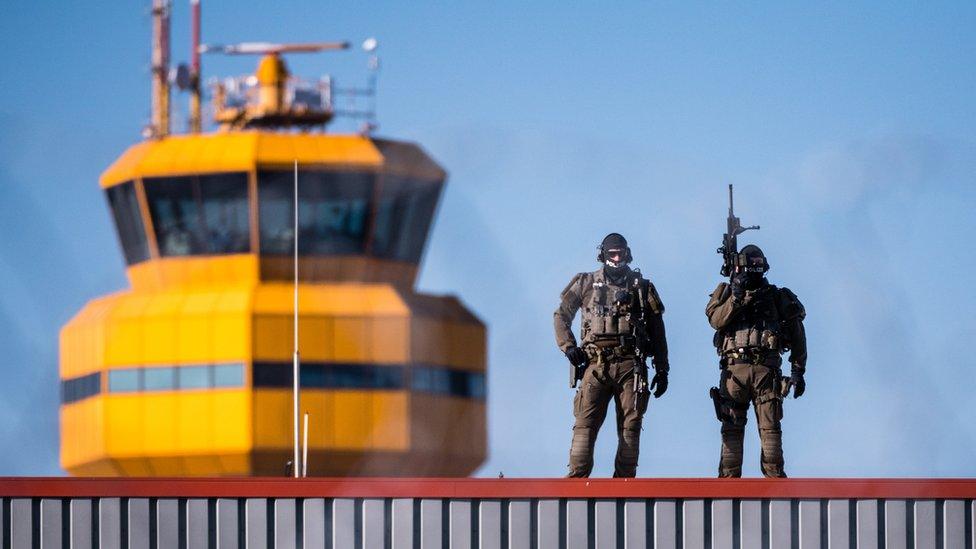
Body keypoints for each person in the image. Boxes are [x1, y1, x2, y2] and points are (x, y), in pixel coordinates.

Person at [554, 233, 669, 478]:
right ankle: (577, 481)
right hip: (595, 365)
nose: (617, 258)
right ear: (603, 254)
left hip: (631, 365)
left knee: (631, 425)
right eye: (612, 253)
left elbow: (657, 330)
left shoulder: (642, 287)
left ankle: (624, 483)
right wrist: (569, 346)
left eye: (620, 253)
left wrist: (662, 368)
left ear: (627, 253)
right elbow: (561, 315)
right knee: (585, 425)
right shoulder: (585, 283)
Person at [705, 244, 807, 478]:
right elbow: (717, 321)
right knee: (731, 432)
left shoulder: (777, 296)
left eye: (756, 266)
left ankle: (775, 489)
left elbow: (798, 334)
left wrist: (798, 370)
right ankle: (728, 491)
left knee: (770, 433)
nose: (752, 271)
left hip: (766, 371)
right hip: (734, 371)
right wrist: (736, 297)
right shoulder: (726, 293)